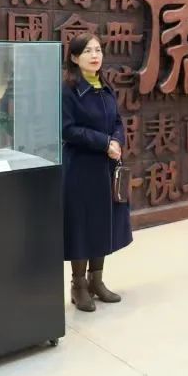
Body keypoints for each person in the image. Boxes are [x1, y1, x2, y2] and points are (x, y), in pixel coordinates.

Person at [61, 33, 132, 313]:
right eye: (88, 51)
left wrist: (117, 141)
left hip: (106, 166)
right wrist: (104, 143)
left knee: (103, 222)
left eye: (98, 50)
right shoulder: (68, 89)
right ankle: (78, 285)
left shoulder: (104, 85)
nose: (95, 55)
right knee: (82, 225)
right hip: (80, 167)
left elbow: (117, 121)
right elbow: (67, 129)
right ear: (74, 57)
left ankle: (96, 281)